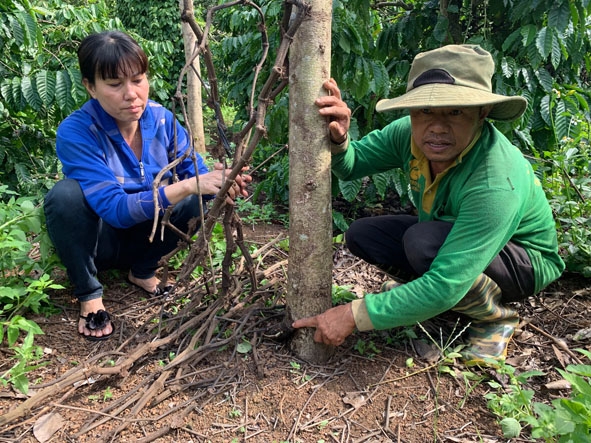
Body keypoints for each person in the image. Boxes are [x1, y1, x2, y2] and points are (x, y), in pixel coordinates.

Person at [292, 44, 565, 366]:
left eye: (455, 112)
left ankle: (495, 318)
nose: (436, 126)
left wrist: (353, 316)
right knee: (364, 234)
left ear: (482, 113)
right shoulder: (408, 135)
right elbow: (353, 165)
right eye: (425, 110)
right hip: (454, 238)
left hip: (523, 261)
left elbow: (447, 283)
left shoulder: (495, 180)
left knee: (423, 244)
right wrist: (338, 139)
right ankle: (431, 299)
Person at [44, 31, 251, 341]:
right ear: (90, 87)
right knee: (65, 196)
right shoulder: (78, 131)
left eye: (138, 80)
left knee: (199, 195)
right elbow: (115, 210)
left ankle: (142, 270)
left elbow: (193, 168)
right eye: (115, 84)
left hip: (149, 233)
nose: (132, 94)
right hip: (101, 241)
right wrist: (190, 185)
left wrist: (217, 179)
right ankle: (89, 292)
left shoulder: (162, 120)